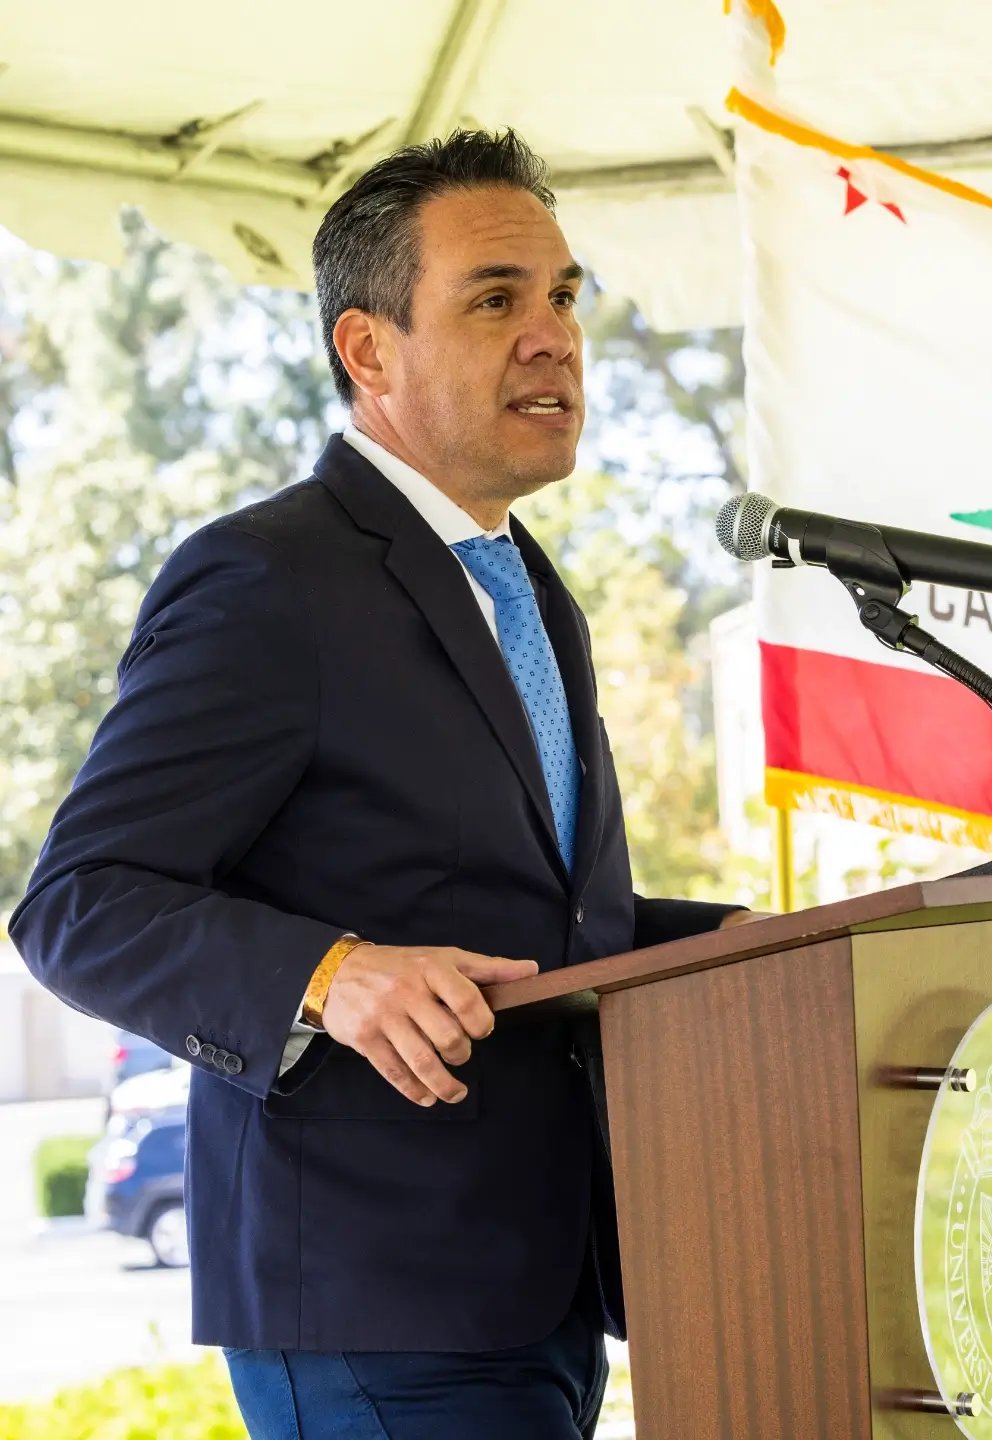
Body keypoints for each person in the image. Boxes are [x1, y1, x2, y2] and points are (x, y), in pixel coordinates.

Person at [12, 128, 755, 1438]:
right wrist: (327, 973)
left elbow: (538, 931)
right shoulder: (268, 582)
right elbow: (77, 905)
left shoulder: (528, 591)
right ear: (369, 350)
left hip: (541, 1289)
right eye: (495, 299)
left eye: (565, 295)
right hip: (373, 1305)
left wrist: (756, 948)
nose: (554, 336)